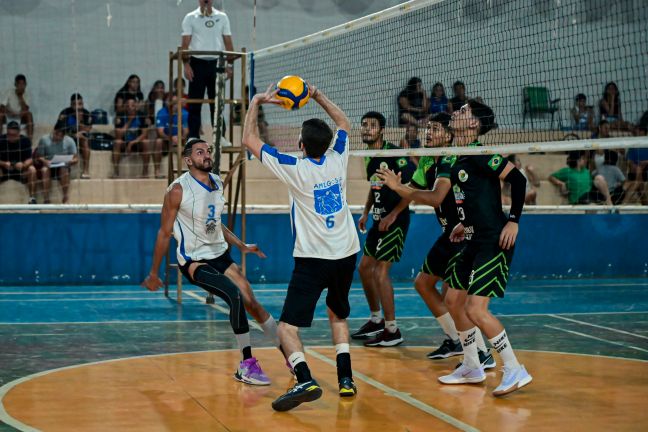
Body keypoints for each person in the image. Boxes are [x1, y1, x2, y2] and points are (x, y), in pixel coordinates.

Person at [378, 100, 532, 396]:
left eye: (463, 112)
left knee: (475, 308)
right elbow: (464, 198)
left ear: (473, 124)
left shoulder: (479, 153)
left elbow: (518, 179)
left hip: (492, 241)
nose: (456, 114)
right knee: (452, 300)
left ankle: (514, 368)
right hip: (471, 238)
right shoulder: (454, 158)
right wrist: (463, 222)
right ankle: (473, 365)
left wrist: (513, 221)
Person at [242, 83, 360, 411]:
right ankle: (346, 379)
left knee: (287, 327)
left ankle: (304, 376)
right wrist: (318, 93)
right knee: (337, 313)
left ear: (302, 146)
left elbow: (249, 141)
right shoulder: (338, 157)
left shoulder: (295, 168)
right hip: (347, 252)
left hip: (314, 259)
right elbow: (345, 125)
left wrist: (256, 102)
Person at [142, 137, 283, 387]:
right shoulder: (177, 190)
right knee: (234, 295)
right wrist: (153, 273)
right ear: (188, 160)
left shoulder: (217, 182)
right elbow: (164, 233)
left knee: (253, 303)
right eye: (199, 152)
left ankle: (290, 356)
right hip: (195, 261)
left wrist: (241, 245)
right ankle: (246, 365)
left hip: (220, 255)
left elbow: (215, 223)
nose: (206, 155)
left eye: (208, 151)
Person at [377, 111, 495, 367]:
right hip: (448, 234)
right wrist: (395, 211)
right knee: (423, 283)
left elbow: (434, 198)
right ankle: (455, 339)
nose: (428, 133)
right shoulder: (429, 159)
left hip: (465, 236)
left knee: (454, 297)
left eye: (435, 129)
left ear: (449, 134)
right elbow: (413, 192)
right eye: (427, 128)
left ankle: (481, 352)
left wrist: (398, 188)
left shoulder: (453, 158)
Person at [351, 111, 413, 347]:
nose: (366, 129)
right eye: (364, 124)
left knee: (380, 272)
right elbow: (374, 186)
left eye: (372, 125)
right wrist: (367, 211)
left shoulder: (394, 155)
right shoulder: (370, 156)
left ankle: (392, 329)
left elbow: (411, 191)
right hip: (377, 221)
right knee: (365, 268)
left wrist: (393, 214)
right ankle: (376, 319)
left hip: (395, 222)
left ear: (382, 130)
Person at [181, 0, 234, 138]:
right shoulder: (190, 17)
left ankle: (220, 138)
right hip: (197, 65)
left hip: (216, 64)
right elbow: (185, 44)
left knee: (217, 105)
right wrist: (186, 64)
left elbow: (228, 43)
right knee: (194, 105)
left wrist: (230, 66)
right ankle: (193, 138)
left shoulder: (222, 17)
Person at [34, 121, 78, 204]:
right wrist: (45, 161)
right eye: (56, 134)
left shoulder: (70, 141)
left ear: (64, 135)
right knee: (44, 170)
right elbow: (38, 157)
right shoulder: (44, 139)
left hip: (62, 166)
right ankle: (46, 199)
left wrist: (69, 161)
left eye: (61, 136)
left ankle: (65, 197)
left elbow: (76, 159)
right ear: (54, 131)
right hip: (49, 165)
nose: (58, 137)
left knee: (64, 169)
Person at [112, 95, 151, 178]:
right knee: (117, 142)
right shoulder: (120, 116)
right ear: (125, 107)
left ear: (136, 106)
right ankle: (116, 172)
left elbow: (145, 134)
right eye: (128, 106)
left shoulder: (141, 115)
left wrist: (132, 143)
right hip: (124, 142)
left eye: (132, 105)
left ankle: (145, 172)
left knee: (146, 142)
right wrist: (130, 121)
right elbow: (118, 135)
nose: (130, 108)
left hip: (137, 143)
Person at [0, 121, 36, 203]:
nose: (11, 137)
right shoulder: (1, 140)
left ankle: (32, 198)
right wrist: (3, 163)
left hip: (20, 171)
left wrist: (23, 164)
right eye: (9, 135)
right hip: (4, 170)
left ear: (19, 133)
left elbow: (30, 159)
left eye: (14, 135)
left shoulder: (25, 141)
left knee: (32, 170)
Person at [57, 93, 92, 179]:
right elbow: (60, 131)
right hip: (67, 138)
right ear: (71, 105)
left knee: (85, 140)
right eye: (76, 104)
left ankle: (86, 170)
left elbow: (87, 130)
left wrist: (79, 121)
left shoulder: (86, 114)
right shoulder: (65, 113)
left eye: (80, 104)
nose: (79, 107)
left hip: (80, 139)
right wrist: (73, 135)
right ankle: (61, 171)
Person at [155, 93, 190, 178]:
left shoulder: (184, 113)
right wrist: (170, 138)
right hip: (166, 140)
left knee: (190, 141)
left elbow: (186, 131)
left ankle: (185, 171)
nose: (173, 104)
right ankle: (157, 171)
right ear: (166, 102)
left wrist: (179, 138)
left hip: (180, 139)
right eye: (171, 102)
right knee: (158, 141)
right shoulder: (162, 112)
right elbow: (160, 132)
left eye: (175, 102)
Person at [0, 74, 34, 141]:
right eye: (19, 84)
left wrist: (20, 97)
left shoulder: (27, 94)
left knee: (29, 115)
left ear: (26, 84)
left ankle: (30, 140)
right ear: (15, 84)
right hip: (8, 114)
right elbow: (2, 106)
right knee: (0, 114)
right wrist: (9, 112)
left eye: (23, 84)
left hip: (20, 116)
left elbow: (26, 109)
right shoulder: (9, 92)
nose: (21, 86)